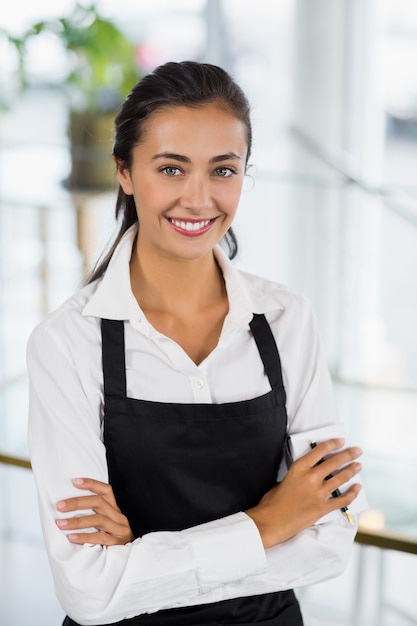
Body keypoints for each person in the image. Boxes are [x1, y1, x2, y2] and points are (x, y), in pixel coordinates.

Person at [27, 61, 363, 626]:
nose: (199, 199)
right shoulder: (67, 343)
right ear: (125, 172)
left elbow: (329, 540)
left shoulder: (287, 321)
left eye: (224, 170)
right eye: (171, 168)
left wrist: (142, 557)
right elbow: (88, 591)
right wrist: (273, 522)